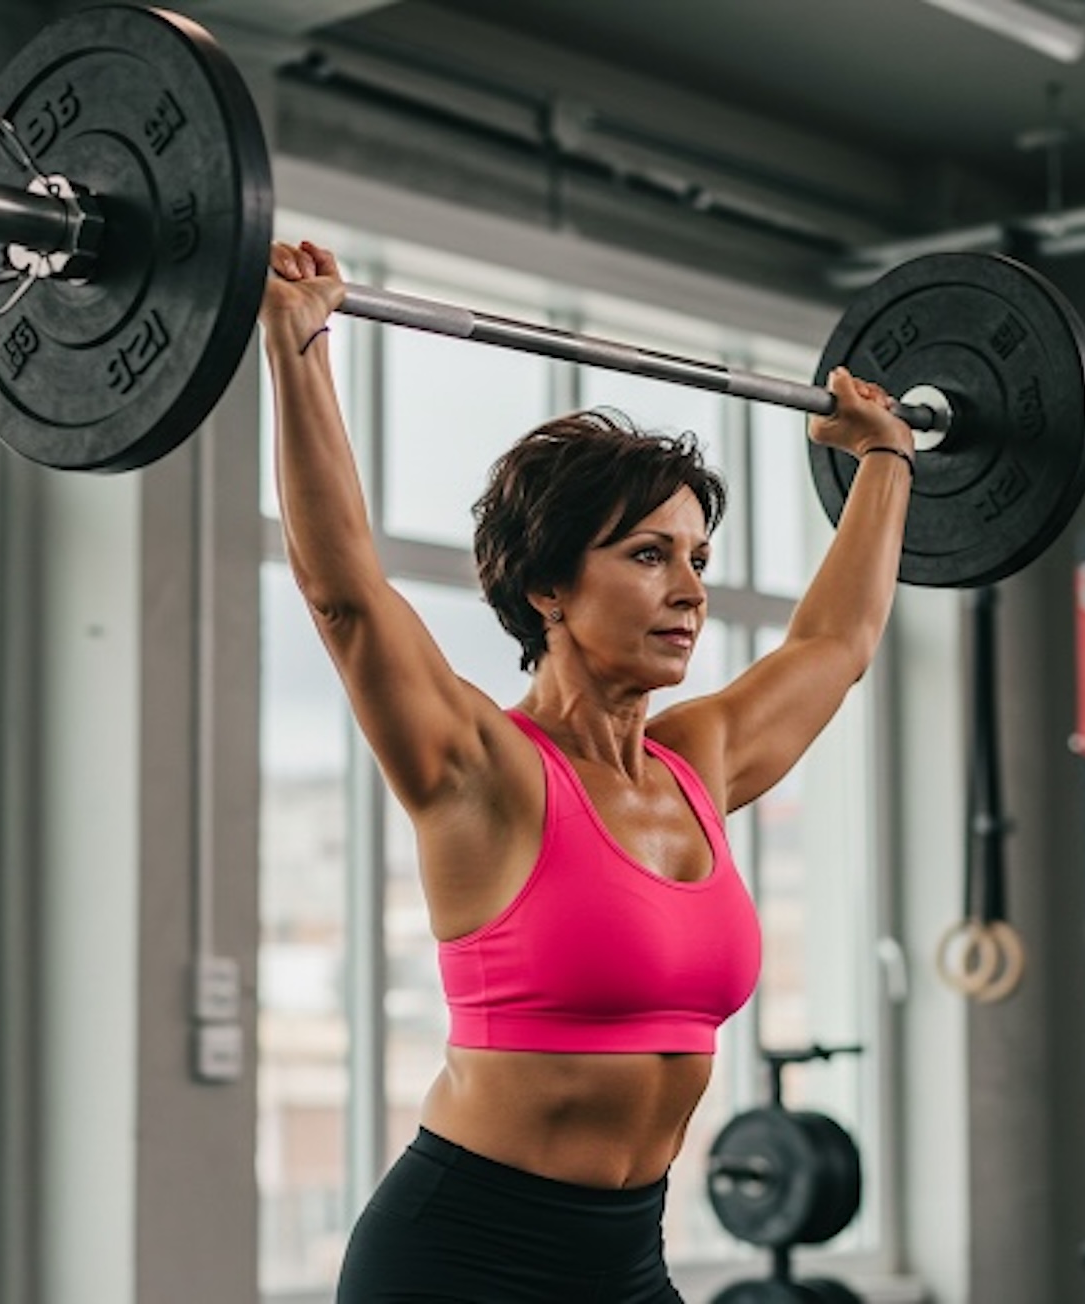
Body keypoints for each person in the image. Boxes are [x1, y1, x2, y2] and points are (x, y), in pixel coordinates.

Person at [262, 239, 914, 1303]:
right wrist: (300, 349)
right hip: (461, 1261)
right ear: (549, 587)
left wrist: (883, 459)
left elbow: (833, 645)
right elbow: (346, 595)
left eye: (697, 558)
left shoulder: (697, 763)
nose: (689, 590)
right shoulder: (483, 770)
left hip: (623, 1260)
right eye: (648, 555)